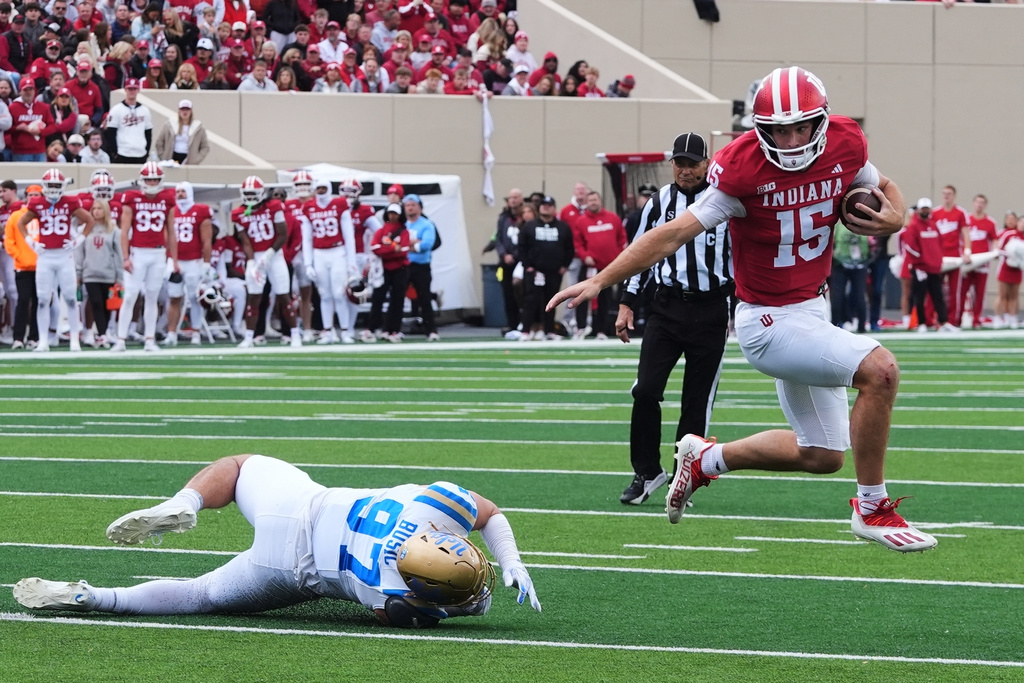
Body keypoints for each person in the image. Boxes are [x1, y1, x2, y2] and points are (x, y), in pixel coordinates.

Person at [548, 66, 937, 553]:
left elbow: (884, 185)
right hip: (767, 323)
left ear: (820, 121)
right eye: (779, 129)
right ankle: (873, 507)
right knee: (880, 371)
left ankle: (704, 460)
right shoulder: (740, 169)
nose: (792, 140)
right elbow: (671, 233)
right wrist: (604, 279)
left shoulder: (844, 141)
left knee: (822, 454)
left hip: (814, 310)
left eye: (801, 127)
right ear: (760, 128)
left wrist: (895, 218)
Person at [14, 453, 541, 627]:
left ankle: (185, 502)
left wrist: (509, 555)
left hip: (303, 504)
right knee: (201, 596)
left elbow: (489, 513)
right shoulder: (387, 591)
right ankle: (94, 597)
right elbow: (394, 614)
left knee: (240, 464)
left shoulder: (436, 503)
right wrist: (467, 598)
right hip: (289, 565)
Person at [615, 133, 732, 505]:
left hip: (713, 307)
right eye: (679, 163)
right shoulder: (659, 202)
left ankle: (685, 479)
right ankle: (647, 471)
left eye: (692, 163)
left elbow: (744, 255)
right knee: (645, 389)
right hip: (667, 306)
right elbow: (639, 253)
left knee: (696, 402)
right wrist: (627, 302)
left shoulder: (726, 200)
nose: (685, 170)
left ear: (706, 163)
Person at [17, 168, 95, 352]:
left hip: (64, 255)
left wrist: (78, 240)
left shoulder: (70, 202)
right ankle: (43, 340)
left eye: (56, 185)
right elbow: (21, 223)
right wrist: (31, 242)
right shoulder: (37, 203)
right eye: (50, 185)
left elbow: (90, 220)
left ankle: (74, 340)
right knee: (43, 299)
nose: (53, 188)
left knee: (69, 298)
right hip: (45, 256)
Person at [112, 162, 178, 352]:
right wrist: (125, 257)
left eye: (155, 179)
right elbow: (124, 231)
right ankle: (121, 339)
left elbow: (171, 231)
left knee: (152, 296)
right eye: (148, 179)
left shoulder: (167, 199)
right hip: (138, 252)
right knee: (131, 295)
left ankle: (150, 339)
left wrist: (174, 259)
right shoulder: (131, 198)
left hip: (158, 253)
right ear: (141, 180)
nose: (151, 182)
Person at [232, 175, 302, 348]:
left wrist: (269, 255)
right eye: (246, 193)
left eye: (252, 193)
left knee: (283, 296)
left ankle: (294, 335)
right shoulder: (239, 213)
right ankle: (249, 337)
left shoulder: (274, 207)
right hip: (256, 256)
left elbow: (282, 235)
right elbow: (246, 241)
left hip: (275, 255)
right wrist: (250, 262)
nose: (249, 197)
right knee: (254, 297)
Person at [300, 178, 358, 344]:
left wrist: (351, 261)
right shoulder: (309, 207)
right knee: (324, 294)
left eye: (323, 188)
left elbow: (349, 235)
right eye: (318, 188)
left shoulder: (340, 204)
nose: (321, 191)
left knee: (339, 293)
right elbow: (307, 238)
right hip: (319, 253)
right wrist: (308, 263)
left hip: (338, 251)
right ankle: (327, 331)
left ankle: (345, 331)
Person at [162, 181, 213, 347]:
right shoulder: (172, 210)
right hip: (175, 262)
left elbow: (206, 240)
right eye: (178, 192)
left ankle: (196, 332)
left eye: (183, 191)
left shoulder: (201, 211)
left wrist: (206, 263)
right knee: (174, 297)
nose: (180, 194)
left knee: (195, 298)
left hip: (193, 261)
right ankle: (171, 333)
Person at [520, 195, 573, 341]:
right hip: (535, 271)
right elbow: (522, 247)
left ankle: (548, 330)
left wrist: (564, 266)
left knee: (552, 301)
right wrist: (528, 266)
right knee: (530, 300)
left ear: (554, 208)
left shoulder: (563, 227)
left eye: (549, 205)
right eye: (543, 205)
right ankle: (526, 330)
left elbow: (569, 248)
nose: (546, 207)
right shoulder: (529, 226)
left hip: (554, 271)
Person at [75, 194, 122, 347]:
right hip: (90, 273)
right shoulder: (85, 229)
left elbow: (119, 254)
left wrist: (119, 277)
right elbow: (79, 252)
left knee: (107, 305)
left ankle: (105, 332)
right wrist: (78, 273)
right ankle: (101, 334)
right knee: (95, 302)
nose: (96, 211)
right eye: (94, 209)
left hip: (108, 273)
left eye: (99, 208)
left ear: (106, 210)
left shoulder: (114, 230)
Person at [903, 198, 955, 334]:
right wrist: (919, 261)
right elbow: (910, 246)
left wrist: (938, 261)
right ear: (919, 210)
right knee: (919, 296)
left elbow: (939, 244)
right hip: (920, 268)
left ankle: (943, 322)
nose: (925, 211)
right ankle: (921, 323)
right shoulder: (913, 226)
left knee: (938, 296)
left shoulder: (933, 225)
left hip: (934, 267)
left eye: (927, 208)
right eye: (923, 208)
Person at [369, 202, 411, 342]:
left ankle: (394, 329)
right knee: (378, 298)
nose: (392, 216)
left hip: (400, 269)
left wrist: (386, 251)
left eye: (395, 214)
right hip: (383, 268)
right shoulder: (381, 230)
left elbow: (404, 251)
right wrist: (393, 249)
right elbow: (375, 247)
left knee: (397, 299)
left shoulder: (404, 231)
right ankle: (373, 328)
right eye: (390, 213)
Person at [931, 185, 970, 328]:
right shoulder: (935, 213)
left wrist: (967, 252)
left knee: (954, 291)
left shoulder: (960, 213)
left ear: (954, 195)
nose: (946, 196)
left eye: (949, 193)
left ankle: (953, 320)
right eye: (944, 193)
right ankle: (934, 319)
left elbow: (966, 234)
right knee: (935, 289)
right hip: (938, 257)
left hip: (954, 257)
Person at [402, 193, 439, 340]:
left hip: (421, 265)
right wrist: (414, 242)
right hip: (404, 265)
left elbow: (427, 244)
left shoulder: (427, 224)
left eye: (413, 205)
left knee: (424, 298)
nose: (410, 208)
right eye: (407, 205)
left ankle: (430, 330)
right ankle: (392, 329)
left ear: (419, 207)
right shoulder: (402, 224)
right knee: (398, 297)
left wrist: (408, 245)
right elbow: (396, 241)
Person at [960, 194, 998, 329]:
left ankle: (976, 319)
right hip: (968, 261)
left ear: (985, 205)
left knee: (980, 292)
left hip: (982, 263)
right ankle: (958, 319)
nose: (979, 205)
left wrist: (994, 251)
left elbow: (994, 239)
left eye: (982, 203)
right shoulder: (967, 220)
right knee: (962, 290)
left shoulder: (990, 222)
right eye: (977, 202)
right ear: (973, 203)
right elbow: (961, 237)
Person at [830, 220, 870, 333]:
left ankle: (862, 326)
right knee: (837, 296)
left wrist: (868, 261)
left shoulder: (864, 226)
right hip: (840, 264)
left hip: (859, 265)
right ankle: (835, 325)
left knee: (860, 296)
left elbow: (872, 245)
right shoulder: (838, 227)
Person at [104, 78, 152, 164]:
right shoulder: (116, 109)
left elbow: (148, 133)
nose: (132, 92)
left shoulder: (145, 110)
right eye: (129, 89)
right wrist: (114, 153)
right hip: (122, 153)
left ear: (138, 90)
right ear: (125, 90)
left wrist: (146, 152)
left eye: (134, 89)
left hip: (140, 153)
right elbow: (111, 133)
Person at [494, 187, 523, 333]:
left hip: (521, 261)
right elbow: (498, 238)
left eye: (516, 197)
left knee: (522, 293)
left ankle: (524, 323)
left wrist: (516, 255)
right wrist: (504, 254)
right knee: (508, 294)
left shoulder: (524, 218)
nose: (513, 200)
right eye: (511, 197)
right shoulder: (503, 218)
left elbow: (526, 239)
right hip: (505, 262)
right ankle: (512, 324)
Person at [154, 98, 209, 164]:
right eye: (182, 109)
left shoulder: (198, 127)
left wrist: (196, 160)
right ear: (179, 110)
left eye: (187, 109)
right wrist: (163, 157)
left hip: (189, 161)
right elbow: (159, 142)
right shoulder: (170, 125)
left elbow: (205, 147)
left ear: (191, 111)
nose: (185, 112)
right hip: (171, 159)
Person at [993, 211, 1022, 330]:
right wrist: (1009, 255)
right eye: (1021, 222)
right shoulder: (1008, 234)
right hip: (1005, 268)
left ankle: (1013, 317)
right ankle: (998, 317)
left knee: (1014, 295)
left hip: (1018, 269)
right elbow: (998, 250)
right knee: (1002, 294)